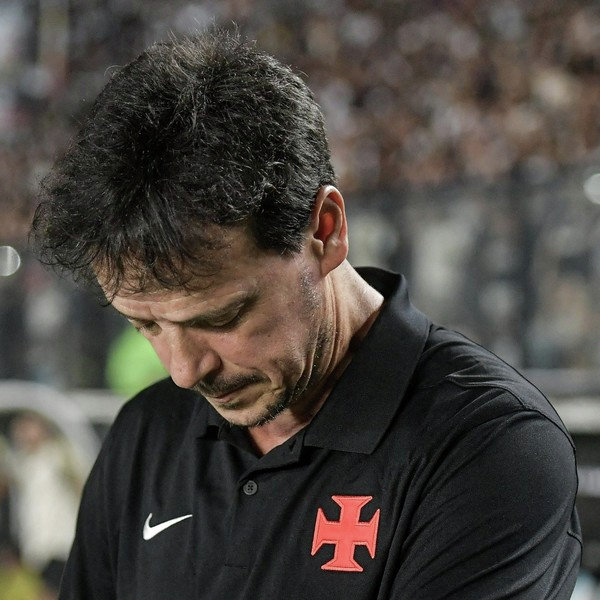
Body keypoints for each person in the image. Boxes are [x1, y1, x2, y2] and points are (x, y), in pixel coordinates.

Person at [31, 29, 581, 599]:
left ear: (326, 229)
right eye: (146, 325)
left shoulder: (490, 446)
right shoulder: (147, 433)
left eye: (220, 319)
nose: (184, 372)